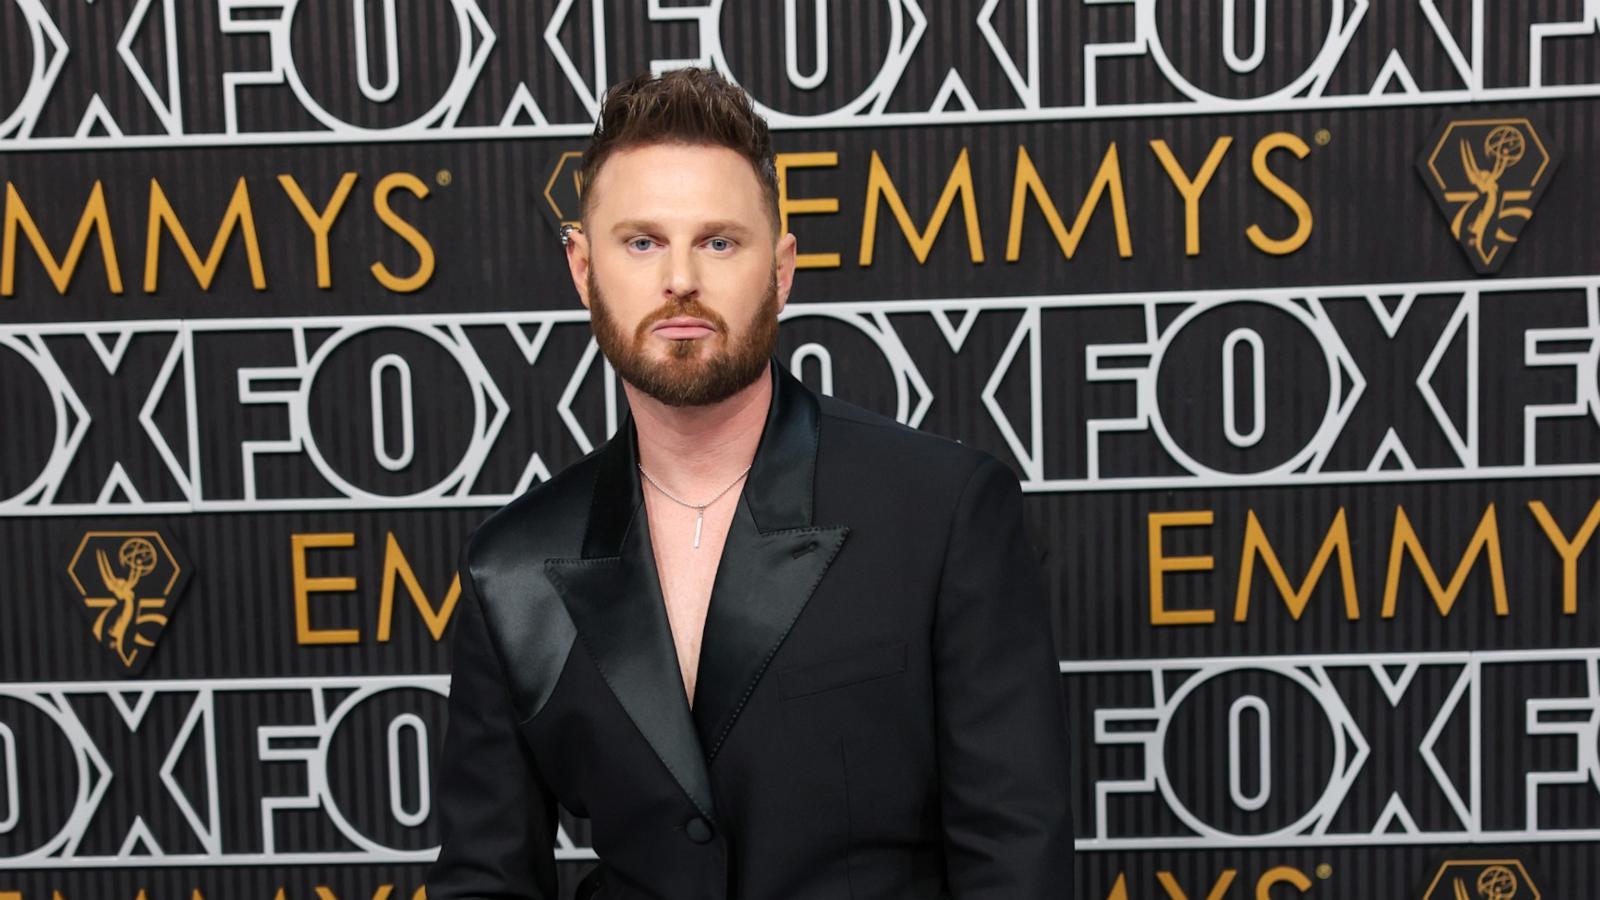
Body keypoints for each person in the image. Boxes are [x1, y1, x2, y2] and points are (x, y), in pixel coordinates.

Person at [425, 67, 1073, 900]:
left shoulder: (944, 512)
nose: (681, 279)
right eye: (642, 241)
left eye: (719, 241)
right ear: (584, 270)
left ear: (783, 268)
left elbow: (1016, 859)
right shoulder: (509, 567)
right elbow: (485, 879)